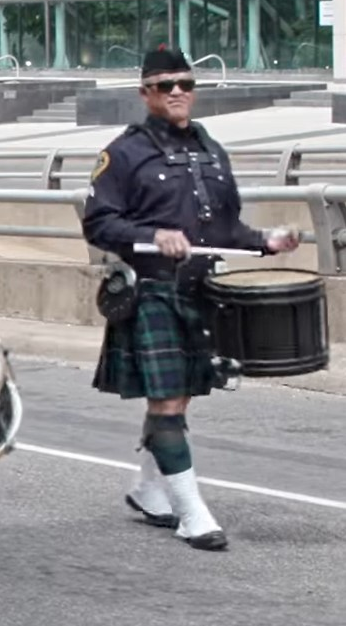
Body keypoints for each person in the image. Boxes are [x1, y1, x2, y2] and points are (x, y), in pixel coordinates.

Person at [81, 47, 299, 552]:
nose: (177, 91)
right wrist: (153, 235)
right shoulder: (123, 152)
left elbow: (225, 227)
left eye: (184, 83)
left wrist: (265, 241)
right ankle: (191, 512)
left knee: (179, 399)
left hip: (201, 288)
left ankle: (147, 489)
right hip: (152, 288)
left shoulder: (211, 149)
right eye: (163, 85)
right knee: (169, 400)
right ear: (145, 93)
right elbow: (98, 222)